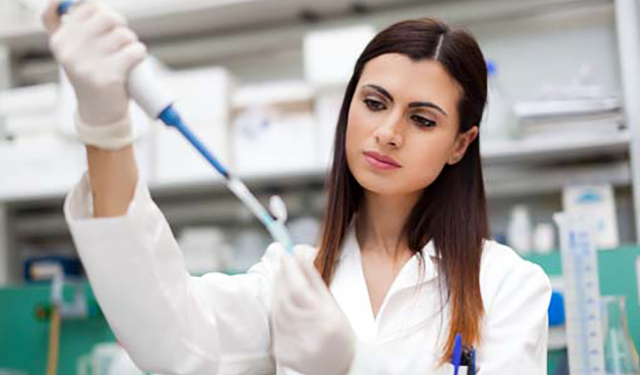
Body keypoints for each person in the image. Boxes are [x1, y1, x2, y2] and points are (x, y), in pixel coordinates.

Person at [42, 1, 552, 374]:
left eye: (421, 119)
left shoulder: (508, 286)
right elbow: (172, 342)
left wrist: (352, 365)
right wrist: (105, 126)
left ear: (460, 144)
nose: (388, 132)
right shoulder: (292, 279)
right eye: (374, 103)